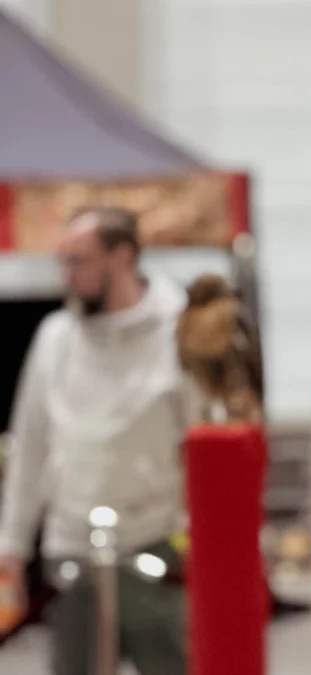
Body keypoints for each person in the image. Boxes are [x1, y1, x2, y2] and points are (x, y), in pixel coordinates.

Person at [0, 207, 190, 675]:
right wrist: (12, 546)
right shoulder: (54, 337)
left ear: (121, 257)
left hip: (156, 549)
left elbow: (201, 444)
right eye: (61, 260)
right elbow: (30, 447)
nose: (66, 274)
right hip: (73, 553)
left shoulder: (179, 332)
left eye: (77, 260)